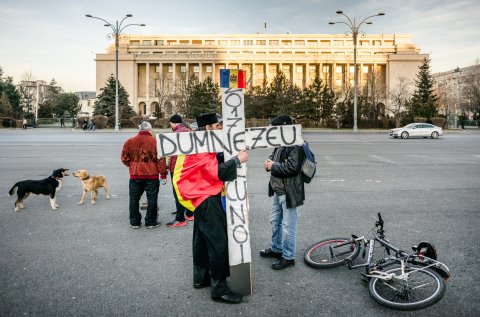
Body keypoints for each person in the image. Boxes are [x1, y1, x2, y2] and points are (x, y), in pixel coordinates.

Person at [174, 113, 248, 303]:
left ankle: (201, 278)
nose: (220, 128)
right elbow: (217, 172)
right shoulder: (202, 146)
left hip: (198, 196)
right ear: (207, 128)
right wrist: (238, 159)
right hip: (206, 196)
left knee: (201, 241)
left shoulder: (198, 142)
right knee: (219, 243)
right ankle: (219, 290)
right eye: (216, 126)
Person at [260, 114, 305, 270]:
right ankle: (276, 249)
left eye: (275, 129)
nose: (272, 132)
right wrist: (269, 162)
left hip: (289, 190)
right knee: (275, 221)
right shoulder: (282, 141)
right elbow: (274, 157)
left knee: (288, 225)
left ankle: (288, 257)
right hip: (278, 188)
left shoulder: (295, 144)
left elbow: (292, 167)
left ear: (284, 128)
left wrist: (272, 166)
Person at [121, 121, 168, 229]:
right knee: (152, 198)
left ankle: (135, 222)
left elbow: (124, 158)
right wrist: (163, 175)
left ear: (139, 129)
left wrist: (133, 165)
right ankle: (151, 222)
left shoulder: (129, 141)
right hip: (151, 175)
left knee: (134, 198)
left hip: (135, 174)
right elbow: (160, 160)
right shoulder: (155, 142)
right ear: (149, 130)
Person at [166, 114, 194, 227]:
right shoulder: (189, 131)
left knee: (178, 192)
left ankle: (180, 218)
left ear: (173, 123)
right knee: (187, 189)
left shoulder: (175, 134)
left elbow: (170, 154)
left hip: (177, 167)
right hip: (189, 166)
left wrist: (167, 166)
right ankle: (189, 213)